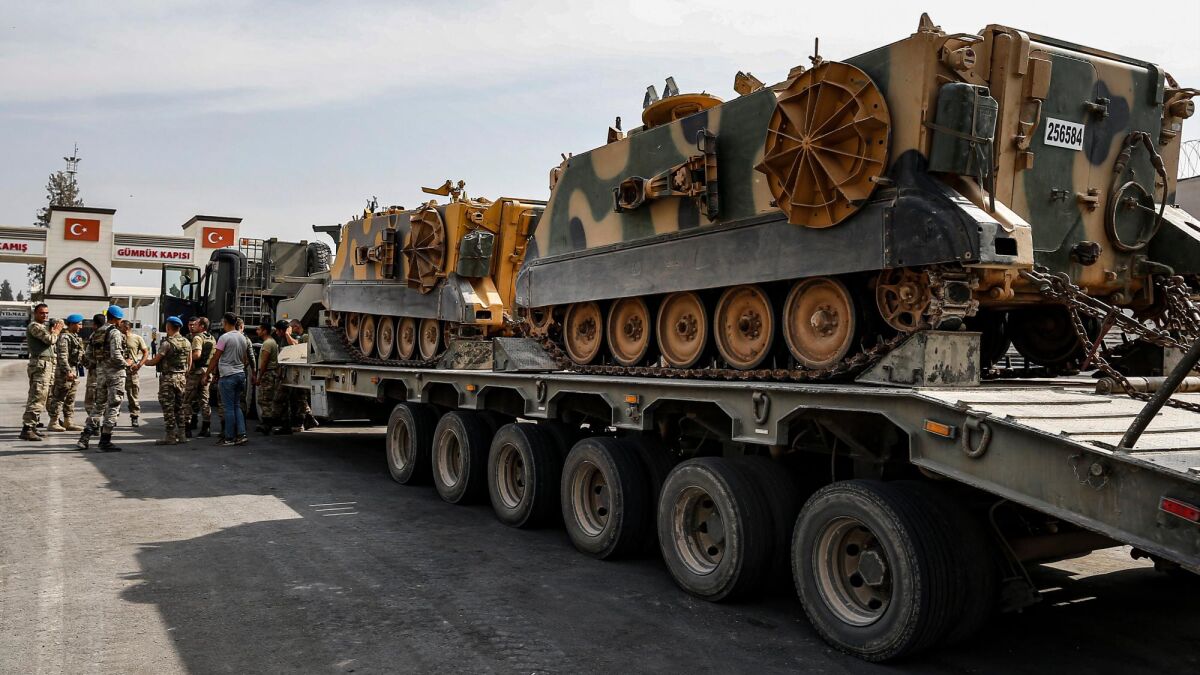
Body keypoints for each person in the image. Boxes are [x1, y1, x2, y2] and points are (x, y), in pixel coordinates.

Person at [77, 305, 132, 452]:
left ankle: (84, 438)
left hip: (101, 374)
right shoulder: (115, 333)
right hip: (115, 374)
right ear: (117, 319)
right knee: (113, 405)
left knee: (99, 405)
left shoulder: (96, 333)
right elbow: (116, 355)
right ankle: (105, 441)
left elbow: (87, 355)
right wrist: (127, 364)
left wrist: (98, 364)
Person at [202, 312, 251, 446]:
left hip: (228, 376)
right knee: (236, 406)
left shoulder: (224, 338)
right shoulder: (242, 337)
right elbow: (245, 359)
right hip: (240, 374)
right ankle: (242, 434)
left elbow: (215, 357)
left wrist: (207, 374)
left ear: (225, 322)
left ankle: (229, 437)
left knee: (228, 408)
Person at [144, 316, 192, 445]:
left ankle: (170, 436)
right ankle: (182, 435)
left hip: (168, 379)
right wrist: (183, 374)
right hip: (181, 378)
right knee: (180, 407)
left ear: (168, 327)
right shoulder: (187, 342)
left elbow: (155, 360)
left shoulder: (167, 343)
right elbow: (189, 362)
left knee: (168, 407)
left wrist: (144, 362)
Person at [21, 303, 61, 441]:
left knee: (41, 396)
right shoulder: (34, 326)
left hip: (46, 365)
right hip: (40, 366)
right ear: (35, 314)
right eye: (42, 313)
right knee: (37, 396)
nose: (45, 315)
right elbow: (50, 340)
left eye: (46, 313)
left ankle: (32, 426)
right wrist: (56, 331)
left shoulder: (43, 327)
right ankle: (27, 428)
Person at [47, 314, 85, 432]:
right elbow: (62, 356)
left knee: (70, 398)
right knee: (59, 397)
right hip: (64, 372)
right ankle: (53, 422)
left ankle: (68, 421)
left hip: (74, 370)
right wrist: (68, 371)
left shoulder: (75, 337)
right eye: (79, 324)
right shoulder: (65, 337)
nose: (81, 327)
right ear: (72, 324)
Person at [185, 317, 216, 437]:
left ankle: (187, 429)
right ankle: (206, 428)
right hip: (207, 371)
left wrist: (188, 358)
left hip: (196, 372)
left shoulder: (197, 338)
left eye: (196, 324)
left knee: (186, 400)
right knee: (204, 401)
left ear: (202, 326)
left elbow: (197, 355)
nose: (194, 326)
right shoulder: (212, 338)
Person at [285, 318, 319, 430]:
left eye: (291, 327)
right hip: (304, 371)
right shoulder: (303, 336)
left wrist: (287, 334)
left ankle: (307, 419)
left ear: (296, 327)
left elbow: (295, 345)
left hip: (305, 371)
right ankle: (306, 420)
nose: (291, 330)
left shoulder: (305, 336)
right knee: (300, 398)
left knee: (301, 397)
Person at [119, 319, 149, 427]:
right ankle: (114, 417)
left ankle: (134, 416)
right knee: (116, 395)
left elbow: (146, 352)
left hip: (131, 371)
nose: (119, 329)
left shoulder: (137, 338)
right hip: (119, 370)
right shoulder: (117, 337)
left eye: (121, 327)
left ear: (127, 328)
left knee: (133, 395)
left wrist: (139, 365)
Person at [254, 321, 282, 434]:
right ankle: (266, 423)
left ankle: (267, 424)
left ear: (264, 331)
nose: (257, 331)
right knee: (266, 399)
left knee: (264, 399)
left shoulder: (267, 343)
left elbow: (264, 362)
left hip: (267, 374)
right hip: (270, 373)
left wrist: (259, 377)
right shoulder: (271, 342)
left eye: (259, 329)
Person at [80, 314, 106, 424]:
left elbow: (87, 355)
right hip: (109, 372)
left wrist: (88, 365)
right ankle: (107, 422)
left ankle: (94, 423)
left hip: (95, 372)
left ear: (94, 324)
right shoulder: (114, 333)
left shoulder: (94, 335)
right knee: (105, 398)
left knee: (90, 400)